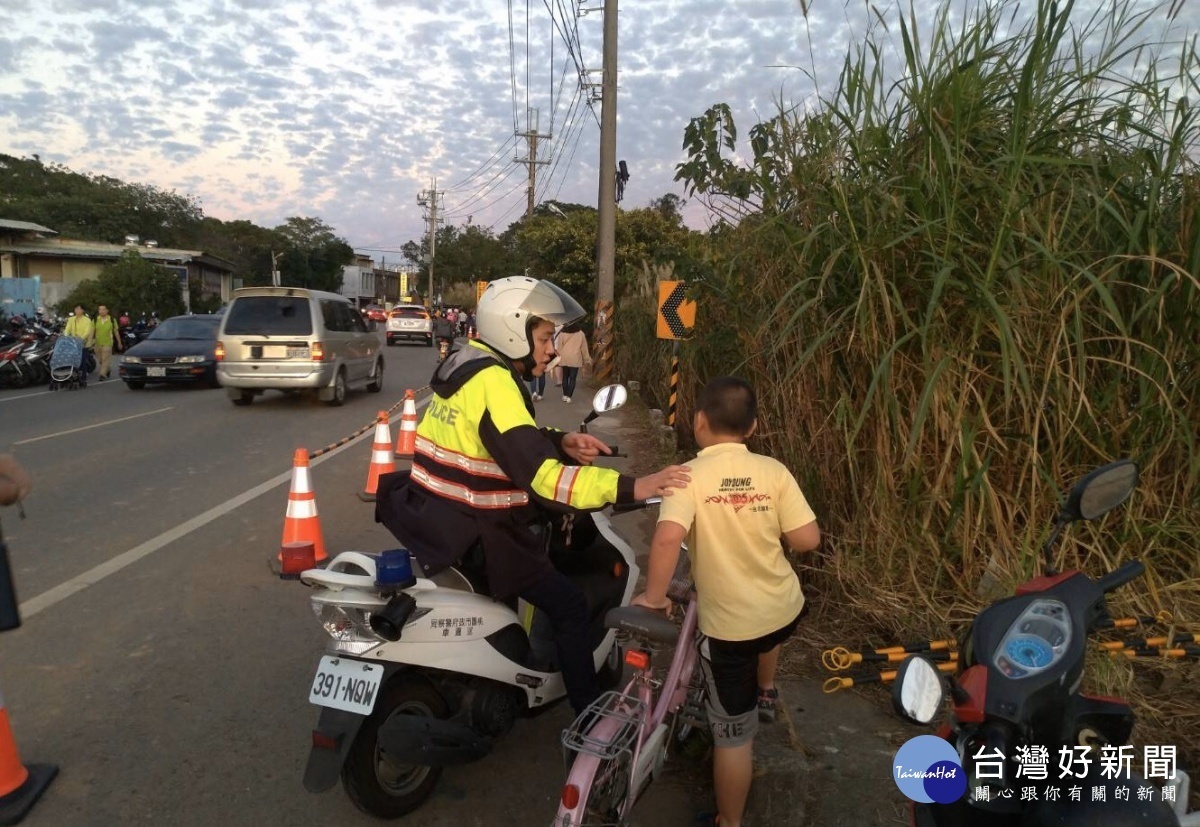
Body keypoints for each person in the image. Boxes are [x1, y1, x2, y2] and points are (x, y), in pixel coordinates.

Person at [375, 275, 691, 718]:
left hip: (433, 517)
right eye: (544, 338)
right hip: (481, 533)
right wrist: (633, 486)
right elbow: (545, 481)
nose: (553, 350)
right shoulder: (499, 384)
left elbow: (495, 438)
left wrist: (560, 440)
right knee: (569, 605)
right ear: (513, 332)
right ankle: (588, 716)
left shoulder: (466, 364)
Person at [631, 376, 821, 827]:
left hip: (730, 630)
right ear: (752, 428)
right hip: (784, 609)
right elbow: (807, 539)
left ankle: (729, 821)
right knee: (767, 631)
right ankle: (767, 688)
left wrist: (655, 599)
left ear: (698, 422)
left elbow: (667, 540)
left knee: (733, 737)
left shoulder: (687, 476)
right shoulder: (773, 471)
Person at [555, 321, 592, 403]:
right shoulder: (581, 334)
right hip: (575, 358)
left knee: (565, 376)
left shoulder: (562, 333)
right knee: (572, 378)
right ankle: (569, 396)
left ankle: (564, 395)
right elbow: (584, 348)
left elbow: (559, 347)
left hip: (565, 357)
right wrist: (587, 359)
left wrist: (558, 358)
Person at [64, 304, 95, 386]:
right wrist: (66, 336)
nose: (77, 310)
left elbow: (87, 332)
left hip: (83, 343)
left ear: (83, 310)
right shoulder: (71, 319)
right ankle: (73, 377)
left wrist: (80, 338)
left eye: (79, 309)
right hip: (73, 343)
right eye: (76, 309)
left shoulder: (87, 320)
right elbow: (67, 329)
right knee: (73, 361)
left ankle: (83, 378)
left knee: (82, 361)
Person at [93, 304, 122, 382]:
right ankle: (107, 369)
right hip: (97, 343)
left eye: (103, 309)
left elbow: (116, 332)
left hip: (108, 343)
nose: (101, 311)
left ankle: (102, 374)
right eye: (100, 309)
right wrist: (89, 341)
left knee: (105, 359)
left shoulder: (112, 320)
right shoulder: (96, 320)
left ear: (107, 311)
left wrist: (119, 342)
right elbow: (91, 331)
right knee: (101, 359)